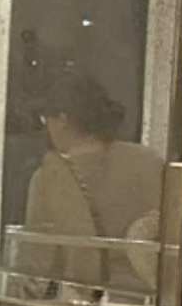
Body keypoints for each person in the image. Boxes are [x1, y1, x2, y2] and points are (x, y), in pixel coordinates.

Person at [23, 72, 163, 290]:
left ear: (62, 120)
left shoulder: (48, 178)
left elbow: (37, 266)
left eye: (45, 119)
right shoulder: (149, 161)